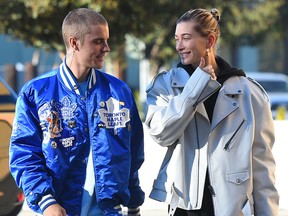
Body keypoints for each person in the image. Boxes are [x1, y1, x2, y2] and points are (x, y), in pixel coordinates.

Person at [9, 8, 144, 216]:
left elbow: (132, 153)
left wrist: (134, 204)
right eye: (98, 41)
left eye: (106, 41)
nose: (106, 48)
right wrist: (46, 202)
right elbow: (24, 155)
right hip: (59, 210)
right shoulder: (35, 93)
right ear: (74, 43)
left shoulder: (119, 92)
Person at [145, 8, 279, 216]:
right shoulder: (165, 86)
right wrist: (195, 87)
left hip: (232, 209)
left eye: (186, 38)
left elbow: (262, 167)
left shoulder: (249, 93)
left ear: (209, 41)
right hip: (185, 207)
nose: (179, 46)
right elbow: (162, 133)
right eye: (177, 39)